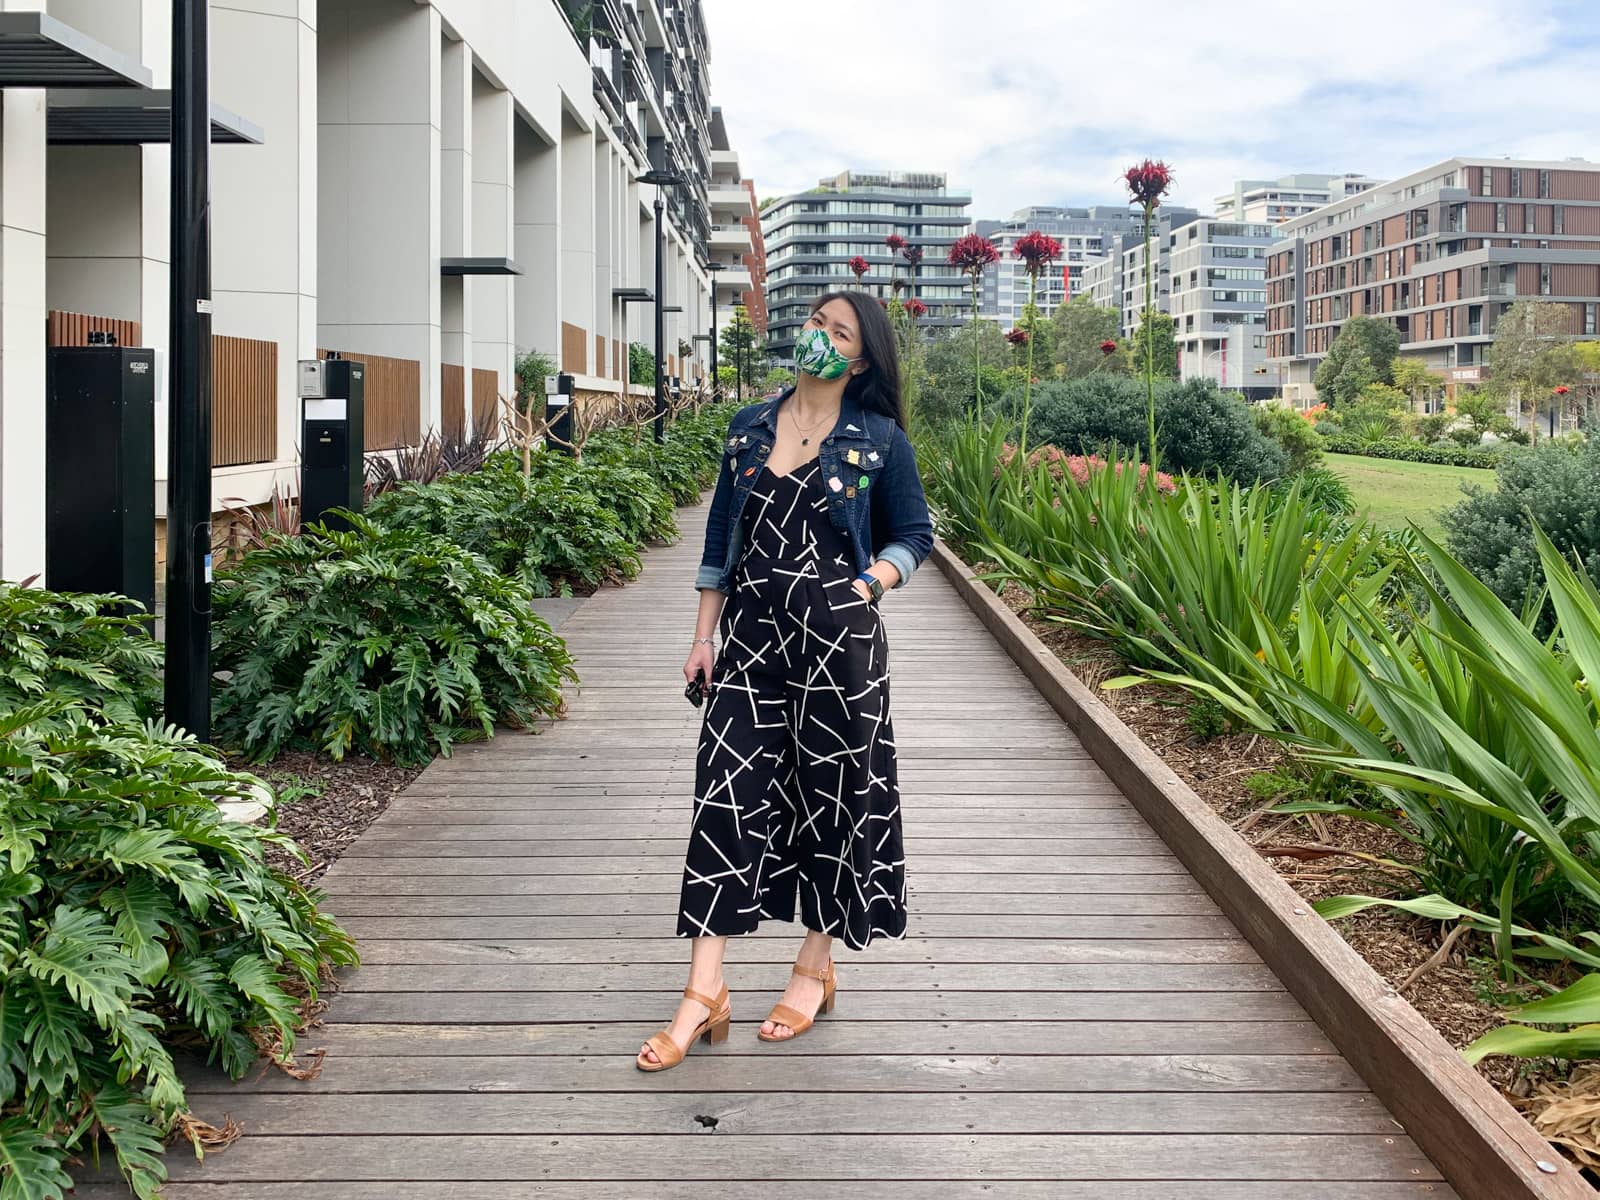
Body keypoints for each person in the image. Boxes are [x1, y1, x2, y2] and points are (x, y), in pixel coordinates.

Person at [636, 290, 935, 1071]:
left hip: (841, 650)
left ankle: (814, 965)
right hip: (753, 646)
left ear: (861, 358)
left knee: (833, 798)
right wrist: (703, 637)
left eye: (840, 334)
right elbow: (717, 549)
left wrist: (870, 584)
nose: (822, 339)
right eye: (817, 324)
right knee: (725, 798)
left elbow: (915, 535)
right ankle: (705, 991)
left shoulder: (879, 438)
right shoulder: (749, 430)